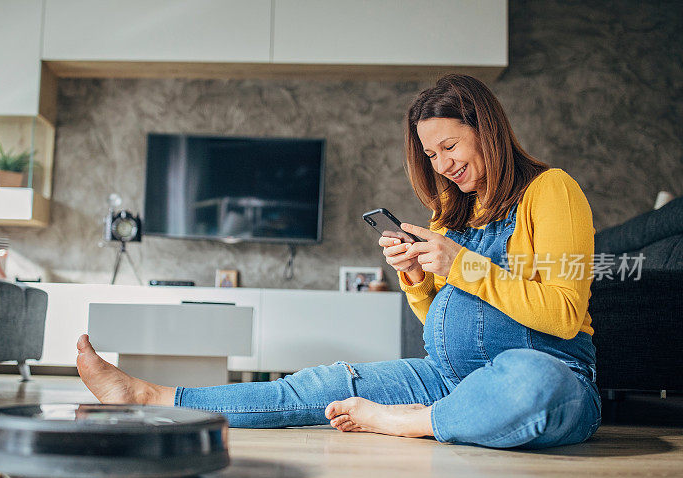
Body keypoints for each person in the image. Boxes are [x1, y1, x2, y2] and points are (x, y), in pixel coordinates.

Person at [76, 74, 601, 449]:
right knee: (324, 383)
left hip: (552, 371)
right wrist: (419, 280)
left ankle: (411, 423)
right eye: (430, 155)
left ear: (486, 129)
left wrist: (460, 263)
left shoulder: (552, 190)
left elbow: (561, 312)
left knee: (533, 382)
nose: (442, 166)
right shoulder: (452, 214)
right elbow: (443, 324)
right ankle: (153, 396)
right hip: (449, 377)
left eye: (449, 146)